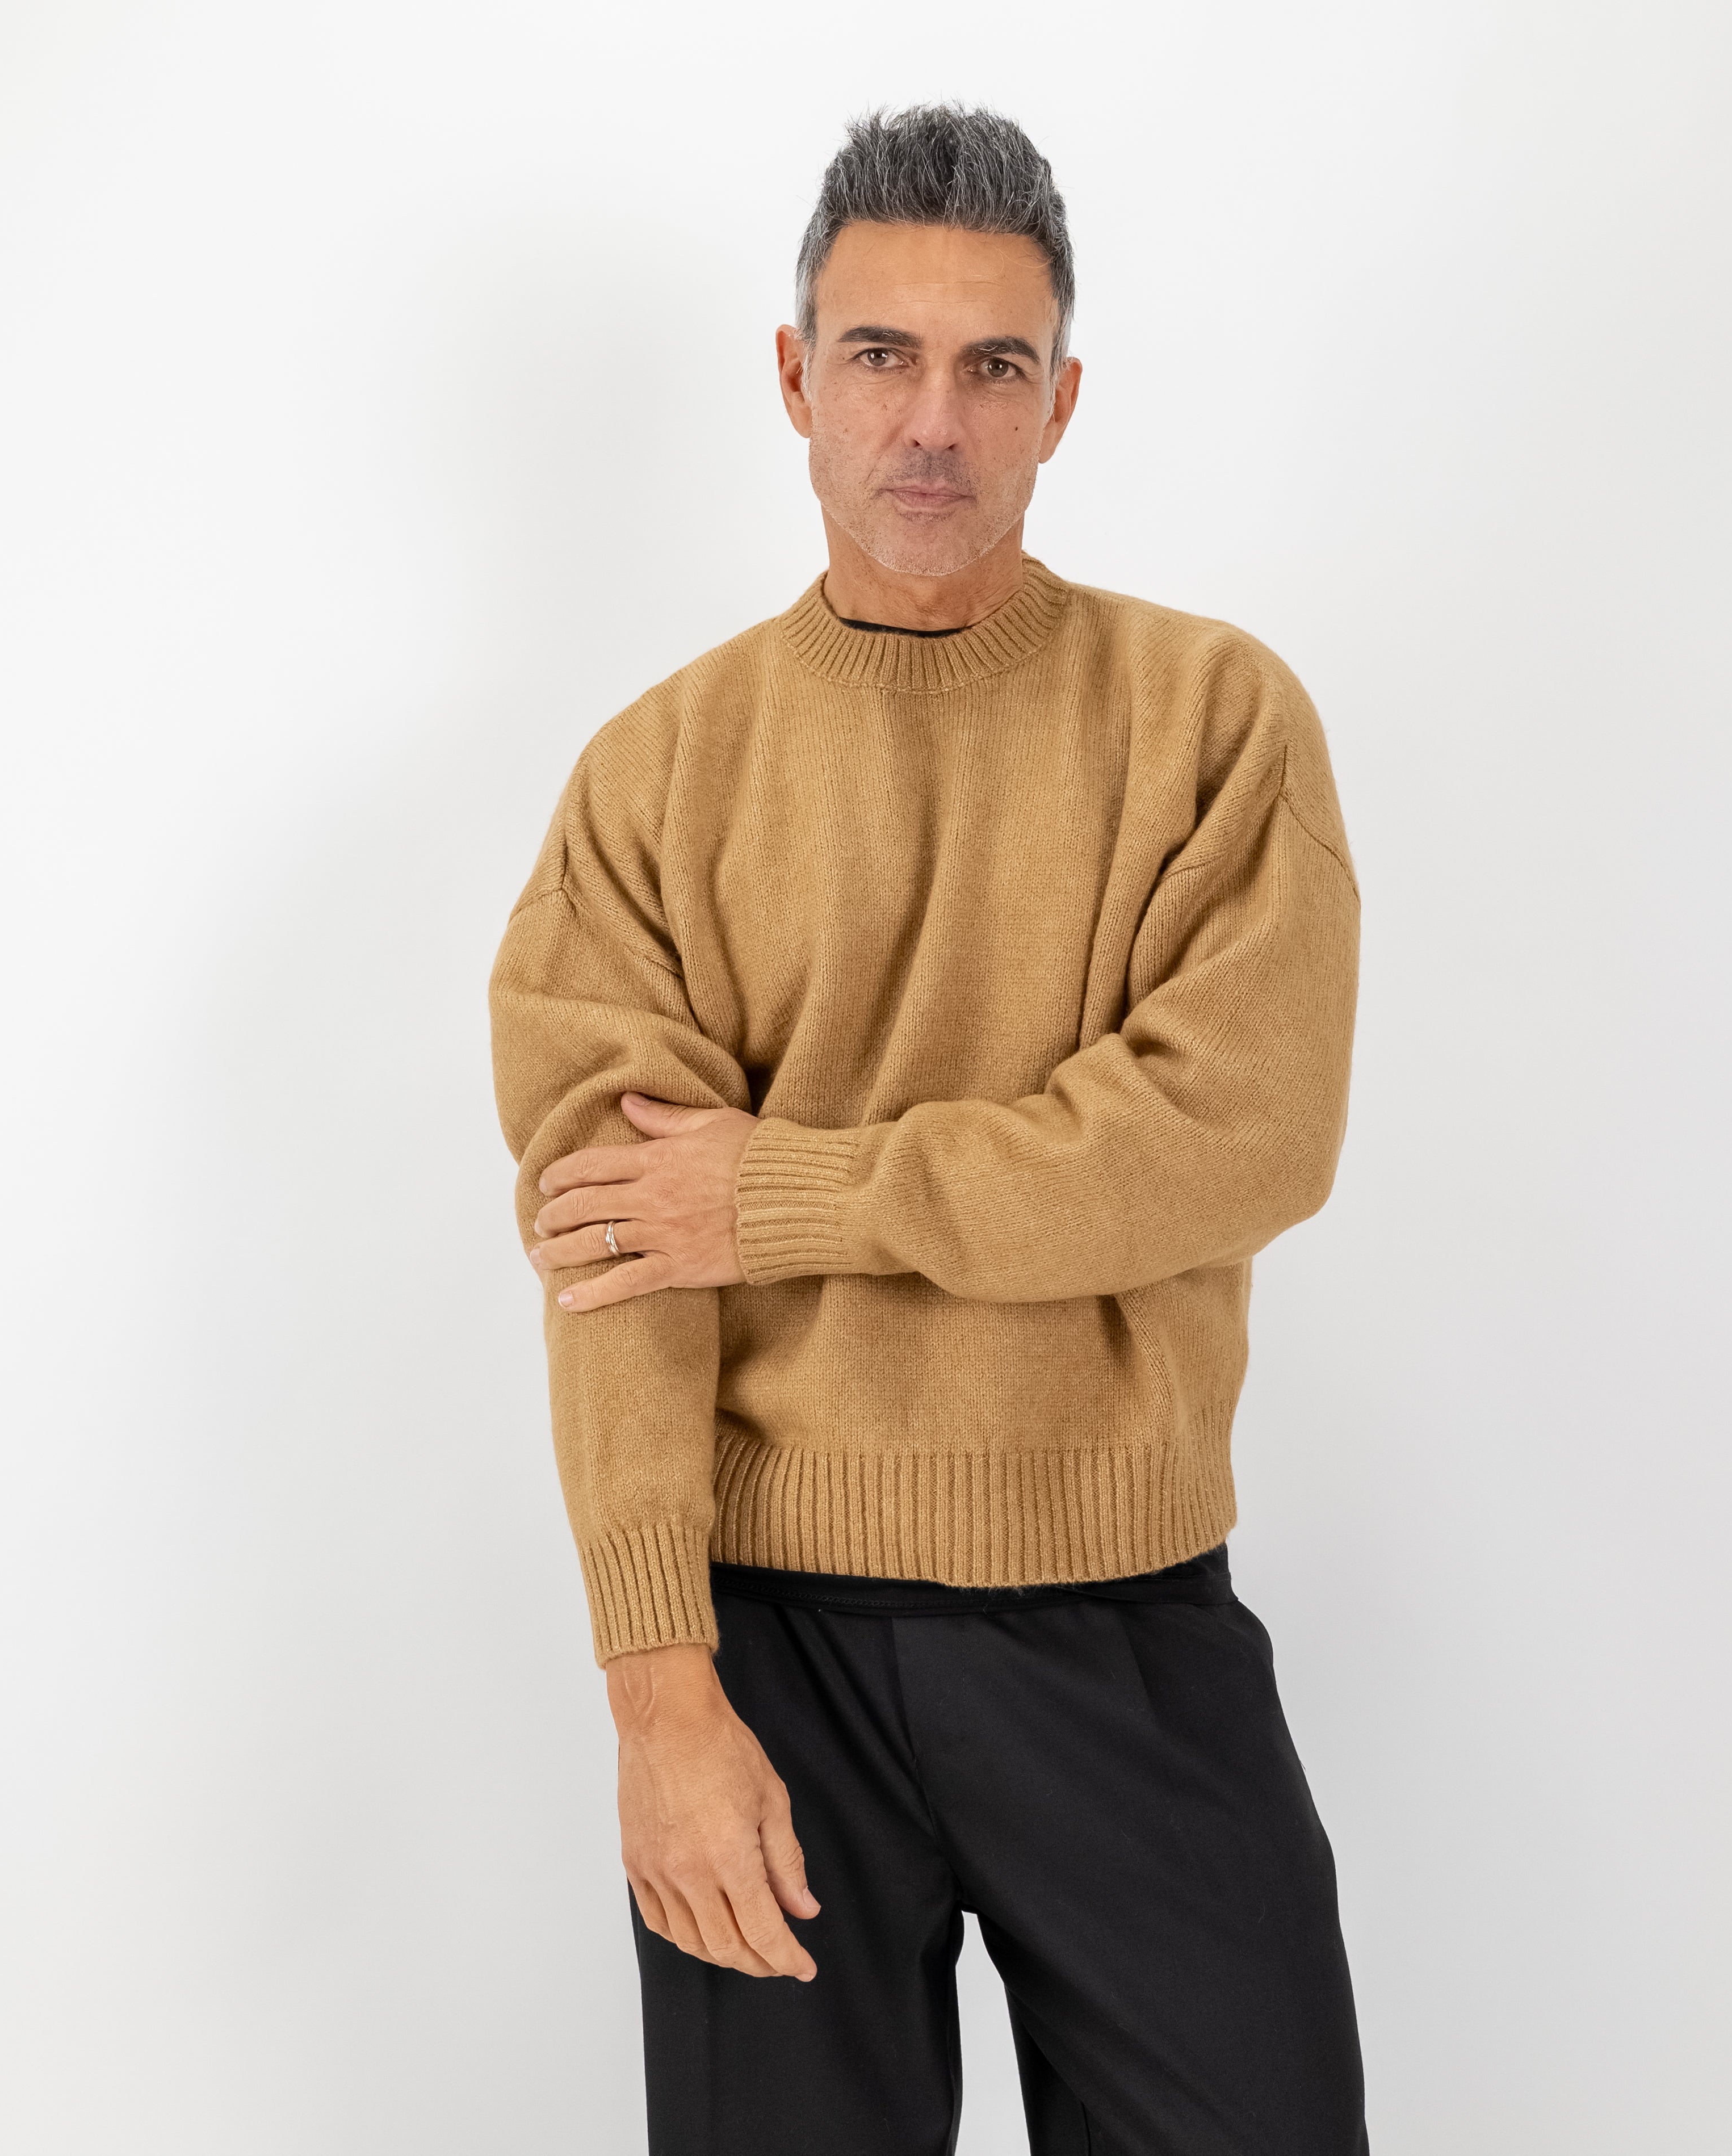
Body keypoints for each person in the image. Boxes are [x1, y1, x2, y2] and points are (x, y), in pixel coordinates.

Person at [489, 102, 1369, 2156]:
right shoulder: (659, 776)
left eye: (993, 368)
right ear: (796, 379)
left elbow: (1236, 1134)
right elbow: (621, 1251)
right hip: (766, 1653)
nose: (932, 423)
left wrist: (791, 1192)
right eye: (881, 355)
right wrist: (658, 1693)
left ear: (1063, 402)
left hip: (1127, 1615)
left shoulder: (1214, 723)